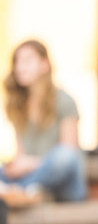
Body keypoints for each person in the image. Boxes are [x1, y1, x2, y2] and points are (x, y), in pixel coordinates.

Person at [0, 40, 88, 205]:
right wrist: (17, 166)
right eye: (17, 61)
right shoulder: (17, 104)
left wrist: (30, 164)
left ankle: (19, 191)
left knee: (65, 156)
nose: (20, 67)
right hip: (35, 178)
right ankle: (29, 191)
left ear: (44, 65)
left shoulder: (64, 100)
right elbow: (21, 155)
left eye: (27, 61)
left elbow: (70, 151)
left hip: (66, 185)